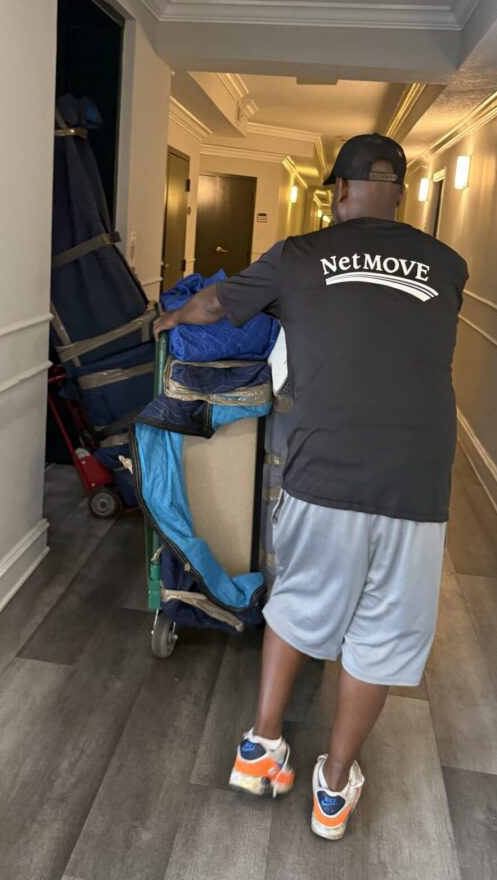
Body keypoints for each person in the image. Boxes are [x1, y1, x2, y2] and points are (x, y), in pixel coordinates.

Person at [153, 133, 468, 841]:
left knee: (298, 606)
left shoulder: (300, 256)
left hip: (326, 467)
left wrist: (170, 317)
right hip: (418, 478)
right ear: (403, 190)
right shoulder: (449, 264)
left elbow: (213, 307)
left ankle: (262, 750)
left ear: (338, 191)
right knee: (380, 637)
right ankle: (332, 790)